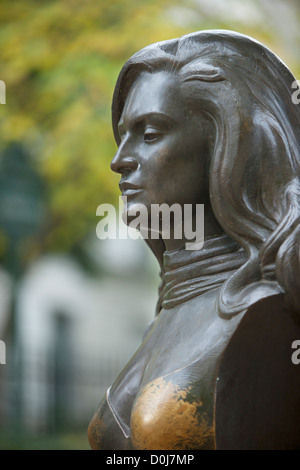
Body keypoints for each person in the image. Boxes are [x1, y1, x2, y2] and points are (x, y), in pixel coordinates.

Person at [88, 30, 300, 450]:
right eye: (123, 135)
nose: (119, 160)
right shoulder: (166, 315)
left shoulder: (264, 314)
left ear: (227, 146)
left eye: (150, 134)